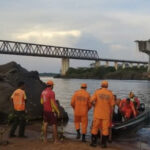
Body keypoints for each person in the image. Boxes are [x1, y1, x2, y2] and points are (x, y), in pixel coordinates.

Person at [90, 80, 115, 148]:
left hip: (97, 114)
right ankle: (103, 144)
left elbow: (91, 100)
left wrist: (94, 105)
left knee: (95, 128)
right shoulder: (110, 93)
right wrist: (111, 115)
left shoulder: (97, 92)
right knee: (105, 129)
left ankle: (93, 143)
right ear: (107, 86)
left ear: (101, 85)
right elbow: (112, 106)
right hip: (106, 115)